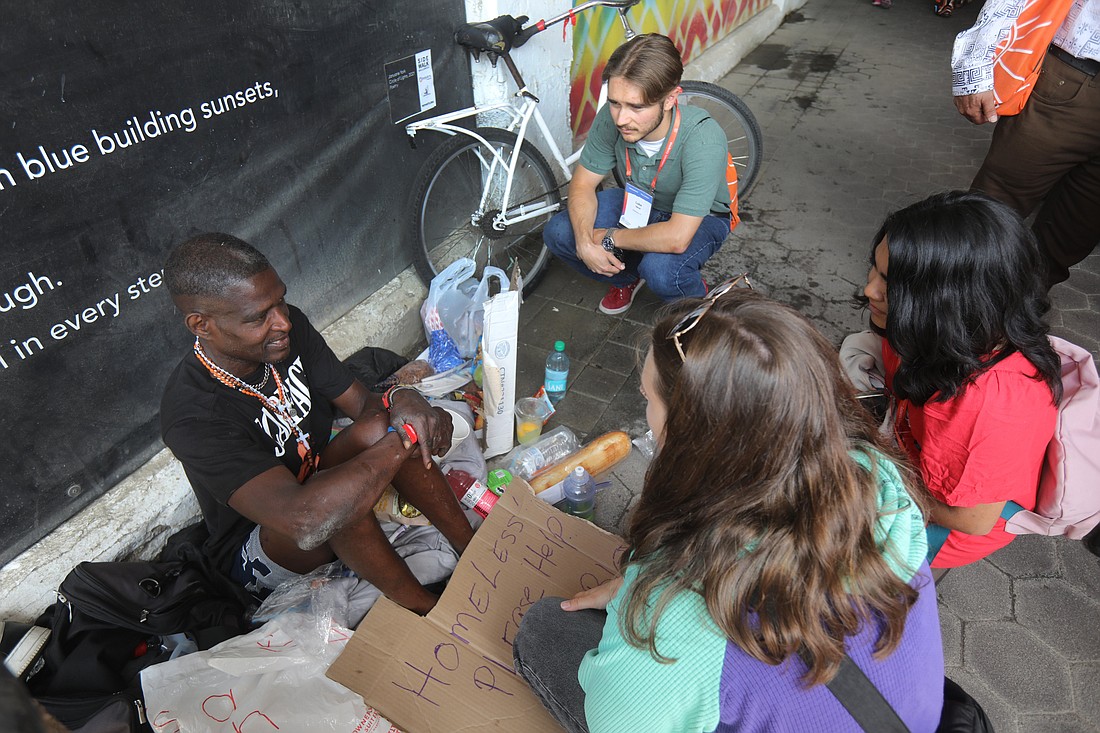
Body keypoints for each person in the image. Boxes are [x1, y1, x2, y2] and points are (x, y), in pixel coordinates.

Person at [513, 284, 944, 732]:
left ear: (694, 440)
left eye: (648, 401)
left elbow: (615, 722)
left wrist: (643, 599)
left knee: (545, 631)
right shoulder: (874, 475)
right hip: (893, 717)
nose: (646, 418)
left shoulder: (677, 610)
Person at [161, 233, 474, 615]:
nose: (282, 322)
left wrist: (401, 399)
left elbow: (365, 407)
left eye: (280, 302)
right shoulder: (192, 414)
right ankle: (428, 611)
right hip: (263, 546)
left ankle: (473, 553)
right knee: (336, 507)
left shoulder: (284, 333)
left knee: (380, 433)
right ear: (201, 325)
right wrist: (403, 439)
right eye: (259, 316)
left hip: (314, 485)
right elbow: (306, 521)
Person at [857, 191, 1062, 571]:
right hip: (907, 455)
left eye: (890, 284)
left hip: (941, 524)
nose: (870, 290)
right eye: (875, 269)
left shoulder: (990, 402)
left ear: (951, 300)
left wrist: (867, 480)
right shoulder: (943, 328)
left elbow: (973, 520)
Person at [542, 34, 733, 315]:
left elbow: (678, 236)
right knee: (559, 232)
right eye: (615, 102)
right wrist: (585, 243)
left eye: (637, 107)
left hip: (699, 219)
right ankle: (626, 276)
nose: (620, 119)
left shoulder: (703, 138)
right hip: (640, 202)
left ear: (670, 100)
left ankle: (697, 307)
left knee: (661, 270)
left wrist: (608, 237)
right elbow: (582, 184)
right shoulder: (611, 118)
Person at [952, 0, 1099, 286]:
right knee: (988, 219)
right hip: (1074, 79)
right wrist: (974, 60)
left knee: (1069, 239)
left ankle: (1013, 321)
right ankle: (938, 316)